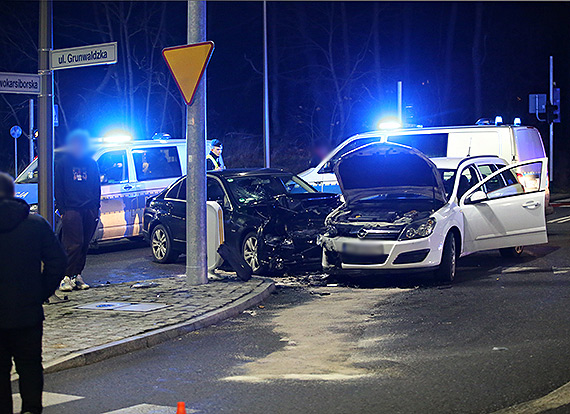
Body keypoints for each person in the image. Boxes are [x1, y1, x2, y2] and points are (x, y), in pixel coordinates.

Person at [0, 172, 67, 414]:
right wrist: (39, 292)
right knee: (30, 368)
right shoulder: (35, 224)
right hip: (27, 313)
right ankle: (30, 410)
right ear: (14, 193)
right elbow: (58, 262)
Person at [55, 129, 101, 291]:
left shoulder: (91, 163)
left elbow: (97, 186)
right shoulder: (63, 163)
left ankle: (77, 275)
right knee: (73, 244)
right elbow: (58, 187)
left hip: (89, 209)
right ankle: (65, 277)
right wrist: (63, 209)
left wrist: (96, 208)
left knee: (84, 244)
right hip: (72, 209)